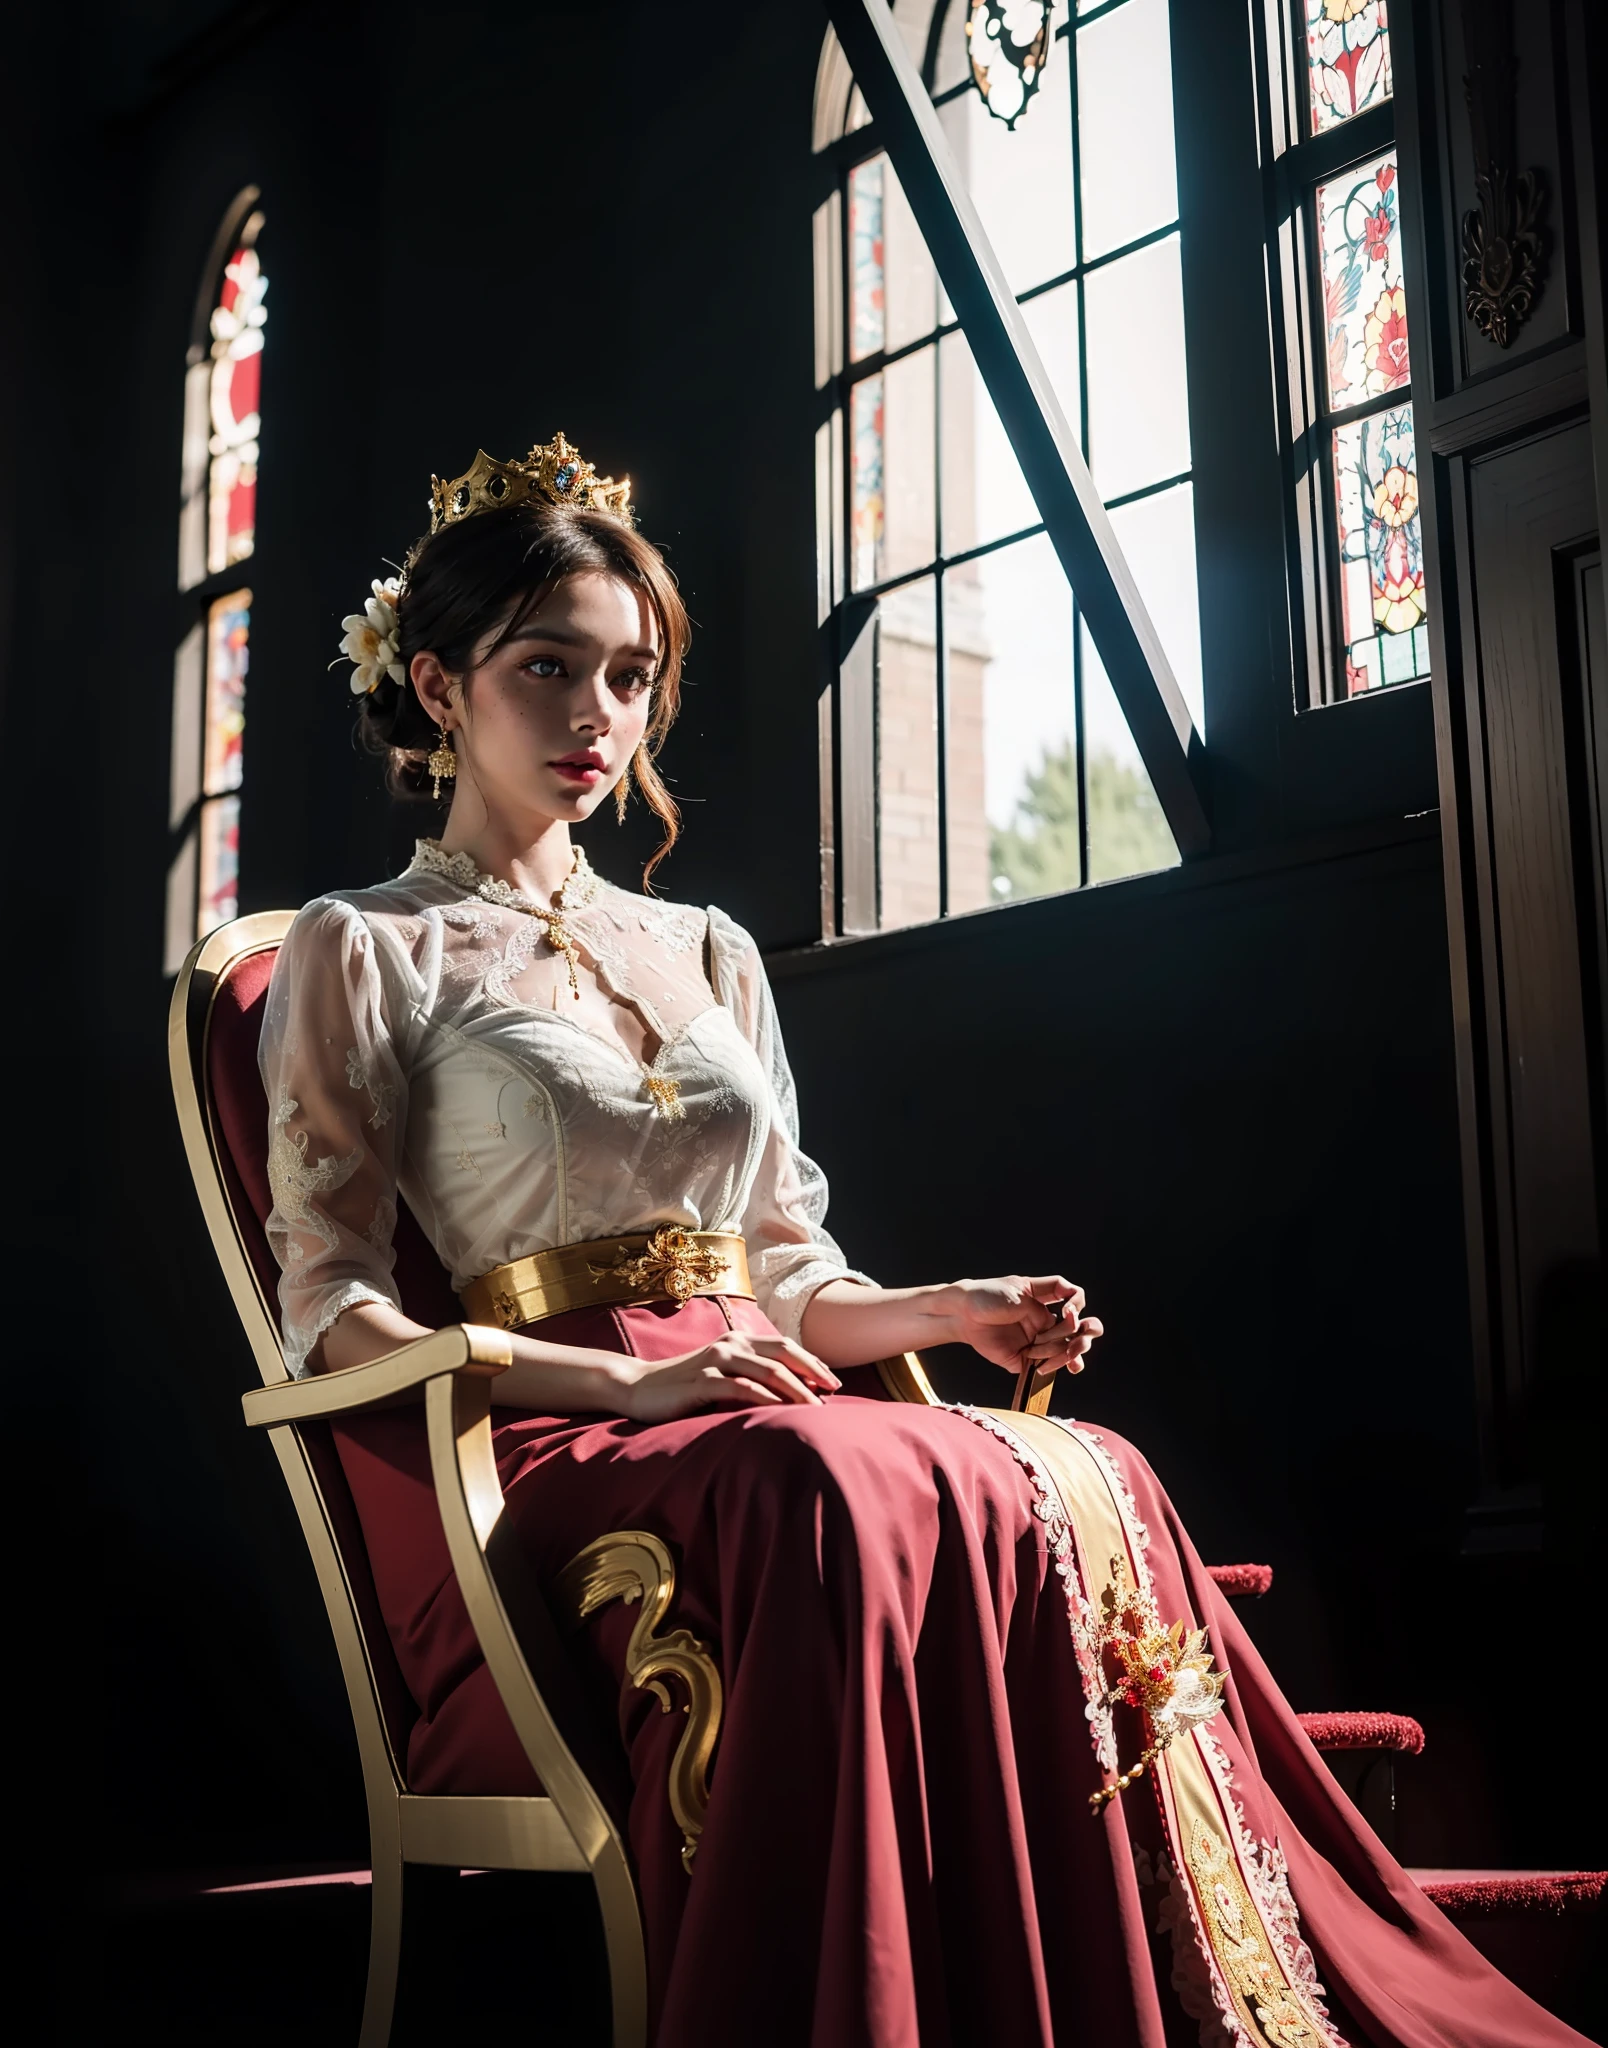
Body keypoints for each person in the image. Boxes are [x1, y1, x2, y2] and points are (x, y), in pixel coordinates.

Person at [256, 435, 1592, 2047]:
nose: (597, 714)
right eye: (548, 667)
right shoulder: (367, 946)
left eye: (629, 675)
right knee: (831, 1480)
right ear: (438, 684)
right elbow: (327, 1309)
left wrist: (950, 1312)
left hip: (754, 1393)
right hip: (557, 1433)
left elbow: (785, 1269)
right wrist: (619, 1393)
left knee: (1089, 1463)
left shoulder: (706, 950)